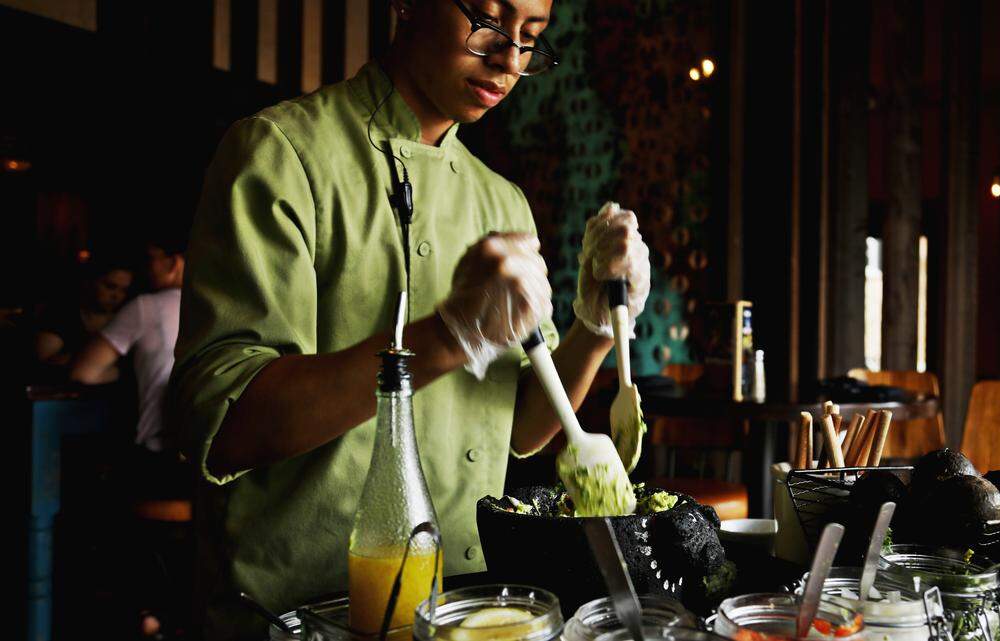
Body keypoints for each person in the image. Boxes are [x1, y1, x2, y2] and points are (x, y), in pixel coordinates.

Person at [170, 1, 651, 638]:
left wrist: (593, 320)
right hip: (302, 612)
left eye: (531, 38)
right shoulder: (281, 153)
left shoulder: (498, 199)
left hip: (463, 606)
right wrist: (447, 336)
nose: (508, 59)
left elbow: (527, 429)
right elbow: (226, 421)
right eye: (487, 20)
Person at [71, 239, 185, 454]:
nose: (146, 268)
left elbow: (83, 372)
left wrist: (127, 370)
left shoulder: (146, 306)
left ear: (173, 264)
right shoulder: (219, 311)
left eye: (151, 259)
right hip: (204, 454)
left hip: (159, 450)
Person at [33, 258, 133, 371]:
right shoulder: (61, 314)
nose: (116, 296)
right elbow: (44, 363)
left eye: (123, 290)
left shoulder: (125, 319)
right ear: (90, 282)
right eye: (110, 287)